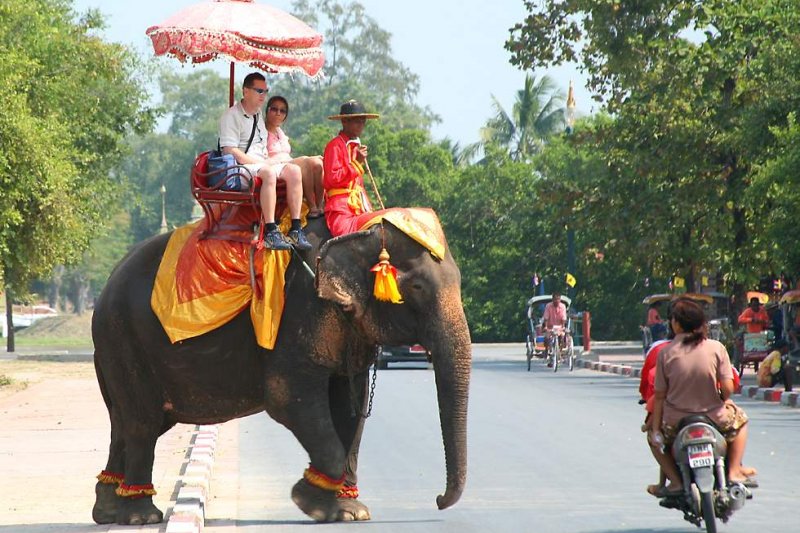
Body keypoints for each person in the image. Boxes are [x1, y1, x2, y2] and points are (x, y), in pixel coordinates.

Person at [648, 297, 756, 498]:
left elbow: (660, 395)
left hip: (675, 422)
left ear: (677, 324)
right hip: (715, 417)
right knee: (741, 421)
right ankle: (733, 470)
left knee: (652, 440)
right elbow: (727, 388)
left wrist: (655, 429)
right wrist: (723, 399)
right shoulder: (716, 348)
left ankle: (676, 482)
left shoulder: (665, 353)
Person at [218, 72, 311, 251]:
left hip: (261, 163)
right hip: (241, 167)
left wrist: (273, 160)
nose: (263, 95)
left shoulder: (258, 115)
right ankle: (270, 231)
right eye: (259, 91)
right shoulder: (231, 116)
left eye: (265, 91)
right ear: (245, 91)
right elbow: (229, 150)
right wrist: (261, 163)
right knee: (268, 172)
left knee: (294, 170)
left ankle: (296, 228)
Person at [323, 100, 380, 237]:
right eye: (356, 121)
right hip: (340, 207)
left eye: (363, 121)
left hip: (360, 205)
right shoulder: (334, 145)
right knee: (347, 238)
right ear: (345, 122)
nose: (361, 125)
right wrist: (356, 163)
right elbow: (333, 179)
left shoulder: (356, 147)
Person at [263, 95, 325, 219]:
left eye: (282, 111)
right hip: (274, 166)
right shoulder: (261, 131)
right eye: (274, 109)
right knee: (304, 161)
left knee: (317, 162)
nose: (278, 113)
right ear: (267, 110)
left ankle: (320, 205)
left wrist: (309, 157)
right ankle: (312, 206)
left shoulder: (280, 132)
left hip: (287, 162)